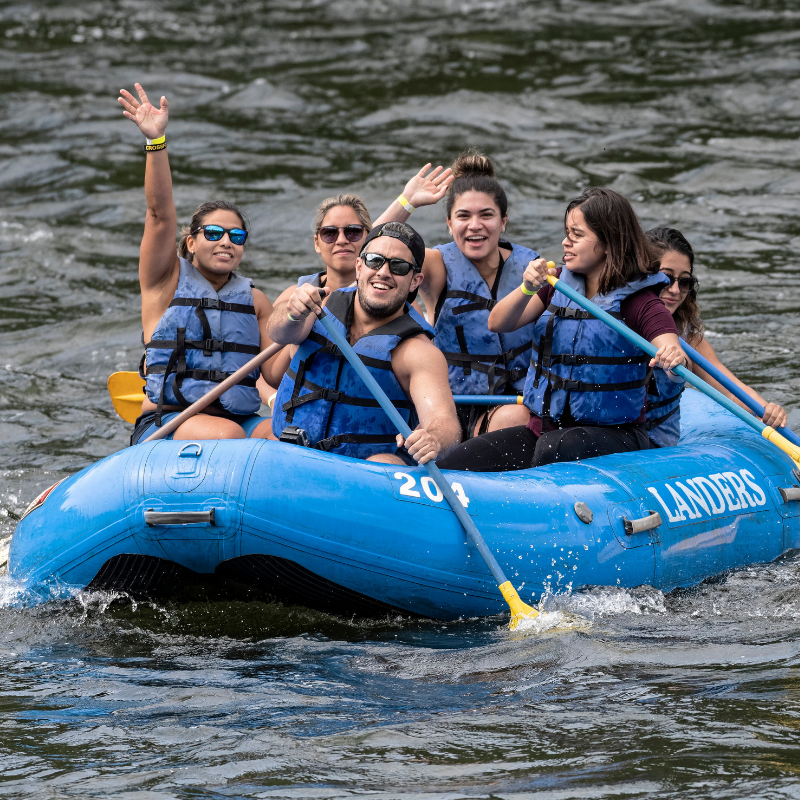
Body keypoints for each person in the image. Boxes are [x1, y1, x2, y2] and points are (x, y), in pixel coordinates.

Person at [438, 187, 687, 471]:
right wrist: (527, 288)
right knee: (457, 462)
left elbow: (670, 346)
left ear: (609, 242)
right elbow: (498, 323)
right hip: (543, 430)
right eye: (567, 233)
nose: (565, 243)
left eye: (576, 235)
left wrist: (672, 354)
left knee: (554, 447)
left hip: (617, 436)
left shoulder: (640, 302)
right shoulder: (557, 285)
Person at [118, 83, 276, 443]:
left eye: (237, 237)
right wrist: (155, 142)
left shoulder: (256, 301)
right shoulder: (165, 280)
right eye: (214, 233)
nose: (226, 241)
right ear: (190, 241)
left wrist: (300, 323)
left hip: (240, 420)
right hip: (167, 421)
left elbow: (272, 373)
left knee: (281, 434)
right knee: (228, 434)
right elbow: (159, 216)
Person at [375, 152, 539, 438]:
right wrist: (407, 202)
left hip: (516, 402)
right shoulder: (436, 266)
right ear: (450, 225)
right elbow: (375, 251)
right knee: (515, 420)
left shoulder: (531, 267)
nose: (474, 225)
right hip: (450, 406)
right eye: (463, 216)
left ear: (504, 221)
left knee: (518, 417)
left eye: (486, 215)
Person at [268, 221, 461, 464]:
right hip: (293, 448)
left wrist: (433, 438)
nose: (383, 272)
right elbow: (278, 333)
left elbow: (443, 420)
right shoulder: (319, 306)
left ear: (415, 281)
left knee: (385, 463)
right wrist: (291, 313)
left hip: (366, 473)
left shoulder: (417, 351)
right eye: (374, 260)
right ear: (359, 266)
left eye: (399, 266)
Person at [645, 227, 788, 447]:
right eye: (665, 278)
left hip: (657, 447)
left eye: (684, 281)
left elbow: (732, 393)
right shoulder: (613, 322)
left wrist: (767, 410)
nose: (675, 290)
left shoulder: (689, 340)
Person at [259, 195, 373, 402]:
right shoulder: (294, 294)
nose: (341, 240)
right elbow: (272, 376)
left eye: (353, 232)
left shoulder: (389, 298)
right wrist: (296, 333)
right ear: (317, 242)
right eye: (329, 233)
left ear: (369, 238)